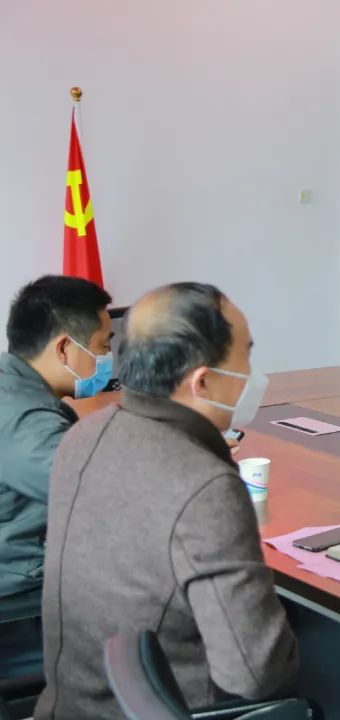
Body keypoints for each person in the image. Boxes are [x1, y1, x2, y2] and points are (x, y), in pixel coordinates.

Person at [35, 282, 298, 718]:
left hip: (70, 705)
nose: (254, 375)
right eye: (247, 356)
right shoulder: (204, 486)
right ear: (203, 381)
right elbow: (255, 673)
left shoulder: (82, 436)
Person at [0, 275, 112, 679]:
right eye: (103, 346)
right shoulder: (27, 421)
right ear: (64, 348)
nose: (107, 358)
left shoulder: (11, 386)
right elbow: (104, 492)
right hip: (20, 609)